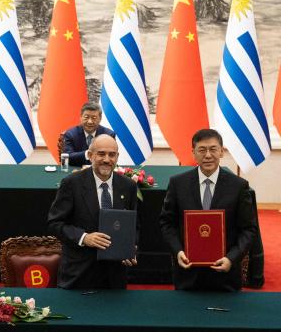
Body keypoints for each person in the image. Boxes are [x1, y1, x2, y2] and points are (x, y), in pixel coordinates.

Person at [159, 128, 257, 291]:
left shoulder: (238, 186)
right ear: (193, 153)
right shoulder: (178, 184)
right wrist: (177, 251)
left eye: (213, 149)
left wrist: (231, 258)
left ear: (221, 152)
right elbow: (166, 223)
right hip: (187, 273)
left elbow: (248, 229)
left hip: (226, 275)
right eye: (202, 150)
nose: (208, 155)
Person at [48, 134, 138, 289]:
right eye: (101, 154)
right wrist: (84, 237)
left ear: (117, 157)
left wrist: (131, 247)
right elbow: (55, 223)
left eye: (112, 155)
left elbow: (135, 225)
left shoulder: (128, 186)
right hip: (79, 273)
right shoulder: (71, 184)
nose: (107, 159)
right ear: (90, 155)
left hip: (115, 276)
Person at [61, 102, 116, 166]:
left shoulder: (108, 135)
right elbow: (67, 157)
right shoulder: (70, 134)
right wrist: (88, 153)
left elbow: (112, 156)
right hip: (77, 172)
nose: (90, 122)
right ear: (81, 117)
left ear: (100, 119)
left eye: (94, 118)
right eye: (86, 117)